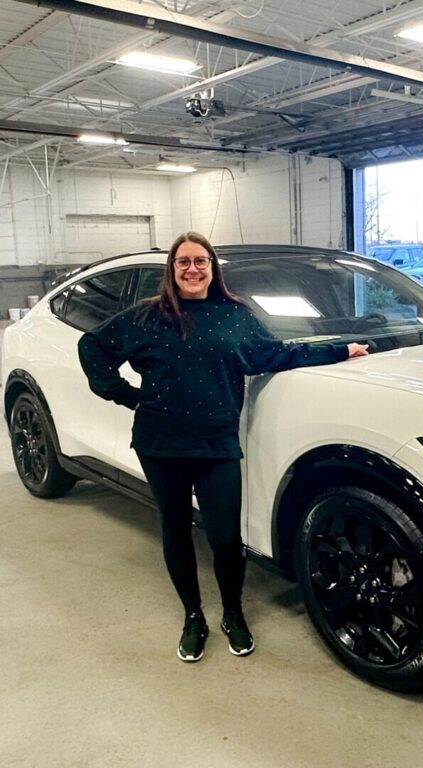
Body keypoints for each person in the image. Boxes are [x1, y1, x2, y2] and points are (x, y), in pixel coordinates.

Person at [78, 232, 369, 663]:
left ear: (212, 268)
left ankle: (232, 613)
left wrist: (340, 349)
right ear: (171, 270)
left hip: (216, 446)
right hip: (160, 444)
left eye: (200, 262)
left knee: (225, 537)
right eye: (183, 262)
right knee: (175, 532)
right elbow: (92, 346)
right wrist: (124, 394)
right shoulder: (147, 317)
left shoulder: (235, 316)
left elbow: (276, 354)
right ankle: (193, 616)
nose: (192, 270)